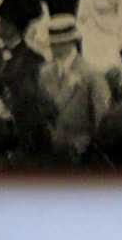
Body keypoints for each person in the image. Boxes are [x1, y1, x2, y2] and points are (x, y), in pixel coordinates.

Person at [0, 0, 50, 163]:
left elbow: (30, 98)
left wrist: (9, 109)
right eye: (1, 22)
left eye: (6, 23)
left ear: (17, 27)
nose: (0, 26)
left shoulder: (33, 59)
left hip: (25, 135)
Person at [38, 14, 110, 166]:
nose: (53, 47)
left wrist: (85, 145)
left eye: (57, 43)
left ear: (70, 43)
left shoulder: (92, 75)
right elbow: (41, 112)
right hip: (50, 156)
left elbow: (101, 120)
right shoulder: (44, 73)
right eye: (52, 43)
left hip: (80, 158)